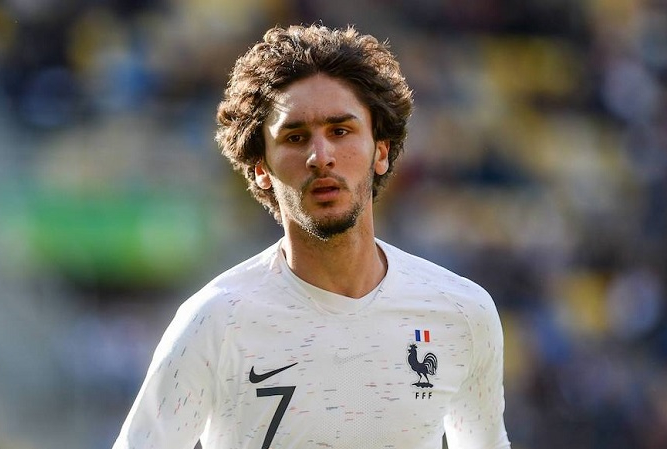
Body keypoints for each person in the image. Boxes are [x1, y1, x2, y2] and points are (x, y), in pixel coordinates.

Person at [113, 24, 510, 449]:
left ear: (380, 151)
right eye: (295, 137)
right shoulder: (216, 319)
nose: (321, 157)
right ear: (261, 169)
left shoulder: (461, 311)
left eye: (340, 131)